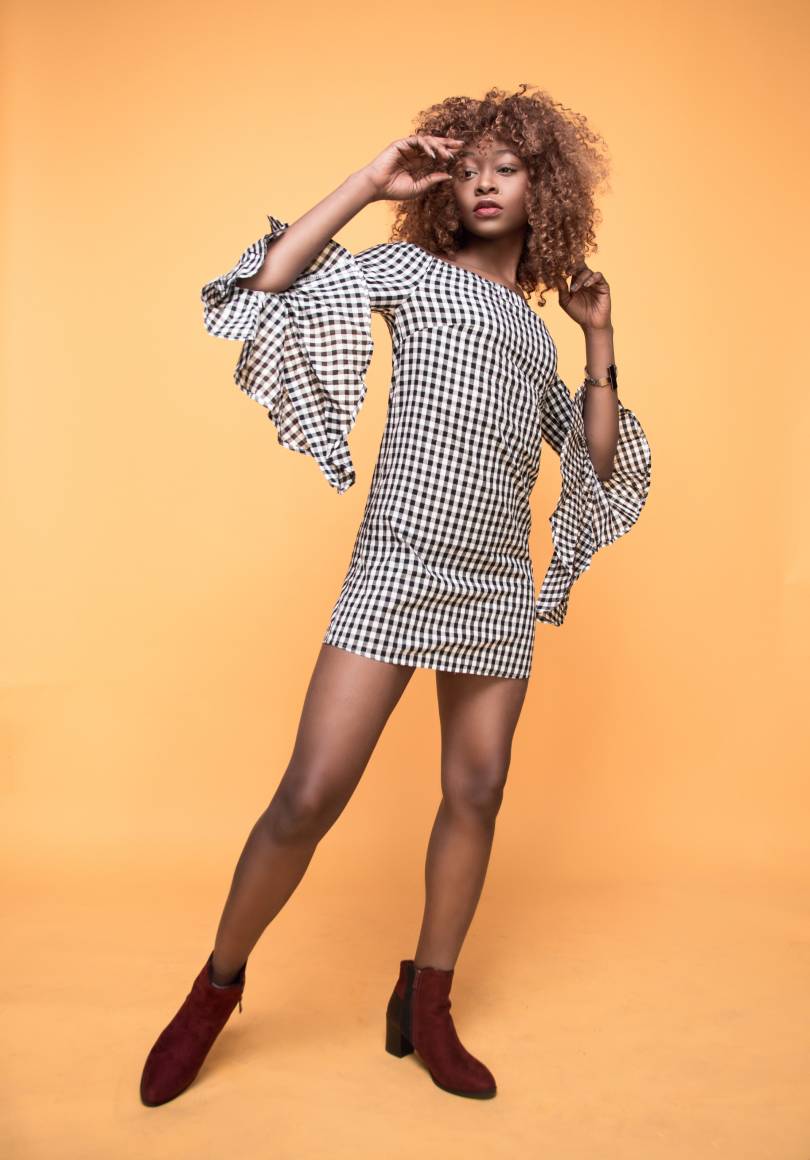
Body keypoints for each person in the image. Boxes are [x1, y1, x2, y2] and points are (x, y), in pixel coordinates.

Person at [139, 83, 652, 1107]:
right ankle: (215, 987)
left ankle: (428, 1001)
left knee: (477, 790)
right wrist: (370, 182)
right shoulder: (414, 272)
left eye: (507, 168)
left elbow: (597, 466)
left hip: (496, 584)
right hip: (400, 564)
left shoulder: (537, 334)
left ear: (544, 188)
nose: (484, 184)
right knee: (309, 793)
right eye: (468, 170)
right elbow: (274, 281)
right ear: (444, 190)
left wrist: (598, 337)